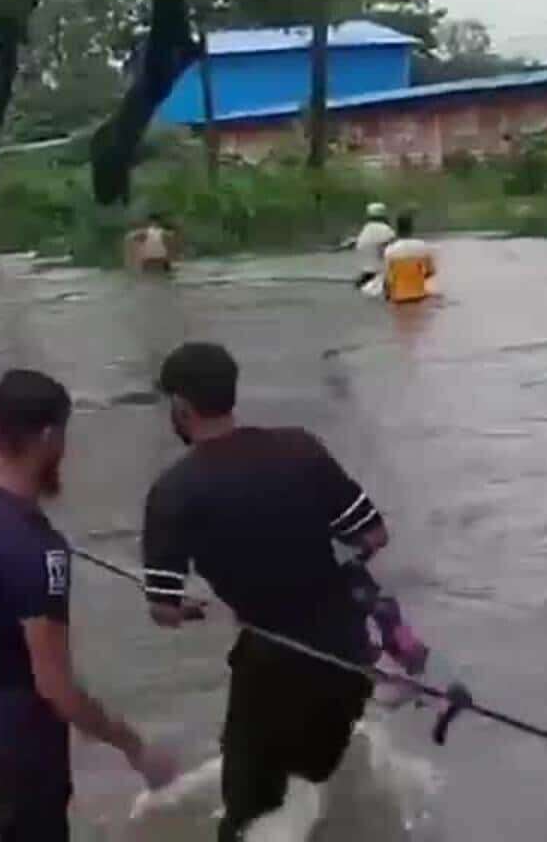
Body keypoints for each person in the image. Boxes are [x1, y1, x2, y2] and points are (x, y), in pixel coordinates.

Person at [142, 343, 389, 841]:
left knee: (247, 817)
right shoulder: (301, 447)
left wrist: (196, 609)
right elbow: (372, 537)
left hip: (273, 670)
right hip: (349, 656)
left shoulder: (174, 492)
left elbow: (163, 610)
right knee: (311, 781)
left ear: (181, 407)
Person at [0, 369, 175, 841]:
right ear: (49, 437)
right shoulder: (39, 549)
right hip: (21, 732)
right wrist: (132, 745)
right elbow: (55, 687)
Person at [381, 212, 436, 304]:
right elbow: (430, 272)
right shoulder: (423, 247)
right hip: (420, 297)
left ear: (397, 229)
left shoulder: (390, 251)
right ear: (411, 228)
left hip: (399, 300)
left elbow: (387, 281)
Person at [349, 202, 396, 288]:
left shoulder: (365, 229)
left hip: (365, 272)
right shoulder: (386, 230)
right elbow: (391, 250)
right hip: (380, 273)